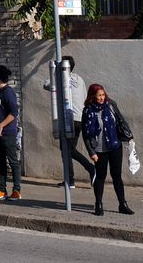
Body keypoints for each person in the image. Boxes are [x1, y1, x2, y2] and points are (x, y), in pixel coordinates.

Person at [81, 83, 135, 216]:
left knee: (117, 176)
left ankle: (122, 204)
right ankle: (98, 204)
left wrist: (130, 137)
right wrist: (91, 152)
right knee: (100, 176)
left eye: (103, 95)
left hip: (115, 146)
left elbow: (121, 120)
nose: (101, 98)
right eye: (99, 95)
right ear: (92, 96)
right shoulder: (88, 110)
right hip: (99, 150)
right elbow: (86, 134)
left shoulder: (111, 105)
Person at [42, 54, 94, 188]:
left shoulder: (60, 80)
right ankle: (69, 180)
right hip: (80, 119)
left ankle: (90, 169)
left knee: (67, 150)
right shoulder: (79, 79)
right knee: (68, 150)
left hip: (69, 119)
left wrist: (55, 72)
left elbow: (46, 84)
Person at [0, 64, 21, 202]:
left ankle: (17, 190)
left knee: (13, 161)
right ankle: (1, 189)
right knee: (0, 162)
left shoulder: (8, 92)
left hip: (7, 133)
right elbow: (0, 111)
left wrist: (1, 125)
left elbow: (14, 113)